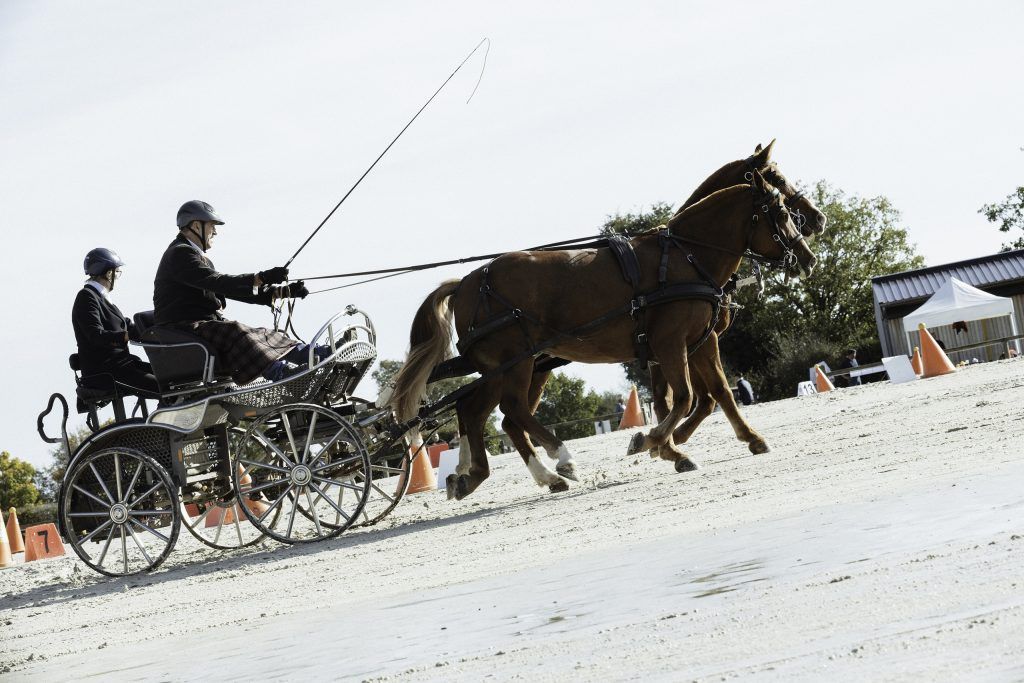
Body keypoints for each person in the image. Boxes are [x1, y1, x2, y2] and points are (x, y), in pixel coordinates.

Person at [153, 200, 317, 385]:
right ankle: (284, 375)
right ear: (196, 225)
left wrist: (279, 292)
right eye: (212, 226)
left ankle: (317, 353)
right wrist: (261, 277)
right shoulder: (179, 254)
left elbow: (230, 290)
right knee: (236, 331)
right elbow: (219, 282)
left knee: (262, 334)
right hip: (183, 330)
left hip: (200, 328)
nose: (215, 232)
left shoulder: (196, 256)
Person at [72, 248, 159, 395]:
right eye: (117, 272)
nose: (117, 277)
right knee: (163, 387)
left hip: (123, 365)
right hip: (106, 372)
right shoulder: (86, 297)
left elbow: (128, 326)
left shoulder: (104, 300)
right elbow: (96, 335)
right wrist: (124, 336)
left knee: (169, 377)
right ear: (108, 273)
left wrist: (156, 326)